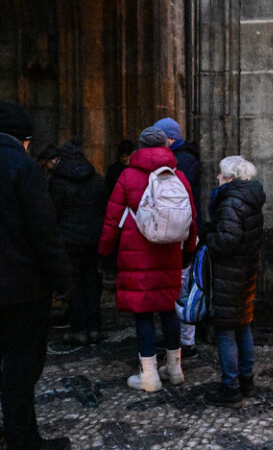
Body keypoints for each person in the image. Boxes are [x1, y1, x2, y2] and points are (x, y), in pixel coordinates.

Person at [98, 126, 197, 392]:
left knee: (143, 313)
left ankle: (149, 375)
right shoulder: (177, 175)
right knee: (168, 310)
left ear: (140, 147)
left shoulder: (128, 175)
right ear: (166, 146)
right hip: (169, 253)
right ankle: (175, 369)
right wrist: (188, 250)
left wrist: (104, 251)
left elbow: (112, 217)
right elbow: (191, 216)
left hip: (136, 255)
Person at [0, 101, 74, 450]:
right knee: (20, 367)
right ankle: (23, 440)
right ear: (24, 139)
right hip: (21, 290)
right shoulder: (23, 168)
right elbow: (45, 232)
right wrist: (64, 282)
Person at [201, 156, 265, 408]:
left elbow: (227, 240)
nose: (217, 177)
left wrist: (207, 239)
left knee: (226, 329)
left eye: (220, 174)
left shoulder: (230, 201)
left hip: (228, 273)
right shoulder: (250, 198)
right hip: (245, 270)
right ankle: (246, 381)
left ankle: (231, 388)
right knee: (242, 324)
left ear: (230, 177)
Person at [49, 137, 106, 346]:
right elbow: (103, 207)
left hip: (69, 240)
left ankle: (79, 330)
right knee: (92, 282)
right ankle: (95, 328)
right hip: (93, 238)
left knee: (75, 284)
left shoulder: (58, 182)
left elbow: (52, 212)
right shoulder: (96, 179)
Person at [155, 118, 201, 358]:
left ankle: (185, 340)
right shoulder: (180, 158)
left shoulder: (183, 161)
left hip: (183, 230)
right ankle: (178, 338)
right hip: (179, 229)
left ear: (170, 139)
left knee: (183, 287)